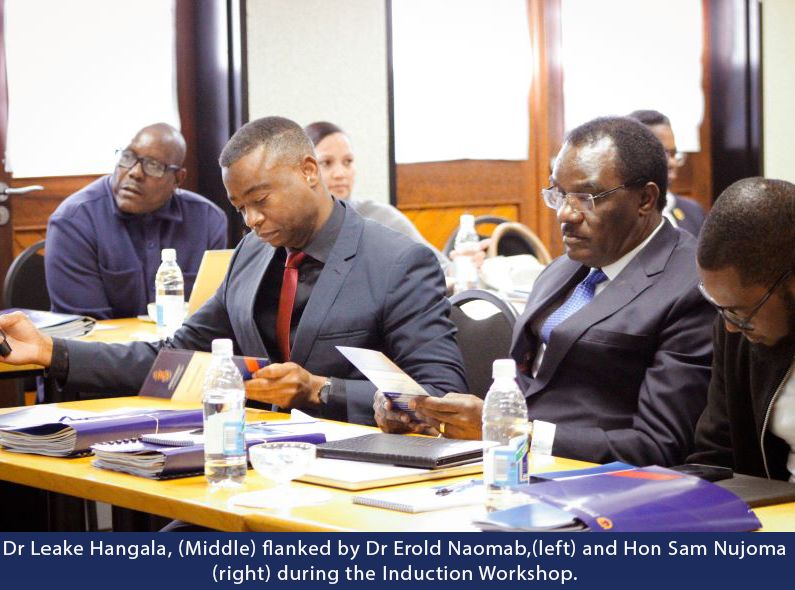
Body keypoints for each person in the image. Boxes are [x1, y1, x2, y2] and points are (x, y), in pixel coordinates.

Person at [0, 116, 467, 425]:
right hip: (253, 466)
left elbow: (445, 399)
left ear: (308, 172)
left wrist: (320, 390)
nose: (251, 220)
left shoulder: (399, 262)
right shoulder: (252, 253)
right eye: (240, 207)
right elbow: (172, 358)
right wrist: (49, 351)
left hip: (356, 480)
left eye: (260, 201)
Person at [375, 116, 715, 466]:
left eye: (588, 197)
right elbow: (525, 392)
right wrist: (434, 417)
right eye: (559, 194)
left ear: (645, 198)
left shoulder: (690, 287)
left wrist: (519, 432)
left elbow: (659, 446)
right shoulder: (561, 270)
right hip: (513, 464)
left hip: (605, 487)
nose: (566, 213)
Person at [45, 123, 228, 319]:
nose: (135, 172)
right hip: (100, 347)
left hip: (183, 346)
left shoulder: (208, 221)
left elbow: (212, 316)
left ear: (178, 178)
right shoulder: (74, 221)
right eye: (127, 157)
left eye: (153, 165)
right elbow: (88, 327)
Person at [689, 177, 795, 481]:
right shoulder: (738, 333)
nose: (731, 328)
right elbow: (715, 454)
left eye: (738, 312)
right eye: (720, 307)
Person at [304, 121, 450, 271]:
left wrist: (467, 265)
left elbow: (440, 267)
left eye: (348, 162)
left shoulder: (380, 216)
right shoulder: (295, 230)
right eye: (326, 163)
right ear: (306, 170)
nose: (340, 174)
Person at [628, 109, 706, 237]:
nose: (672, 163)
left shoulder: (694, 212)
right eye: (662, 154)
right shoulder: (620, 217)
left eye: (674, 153)